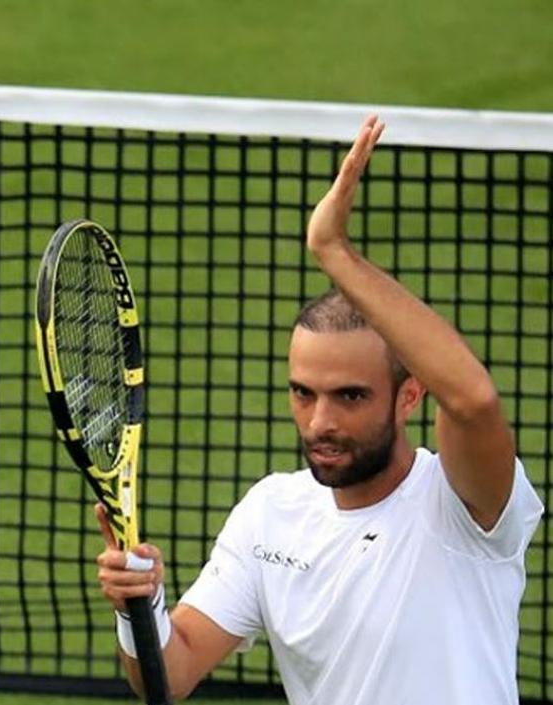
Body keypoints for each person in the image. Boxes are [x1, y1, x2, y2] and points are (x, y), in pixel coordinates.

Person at [94, 115, 543, 704]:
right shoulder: (269, 516)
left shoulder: (466, 504)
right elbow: (170, 676)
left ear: (410, 394)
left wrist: (334, 253)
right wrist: (140, 604)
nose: (320, 421)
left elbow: (474, 399)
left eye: (350, 396)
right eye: (303, 392)